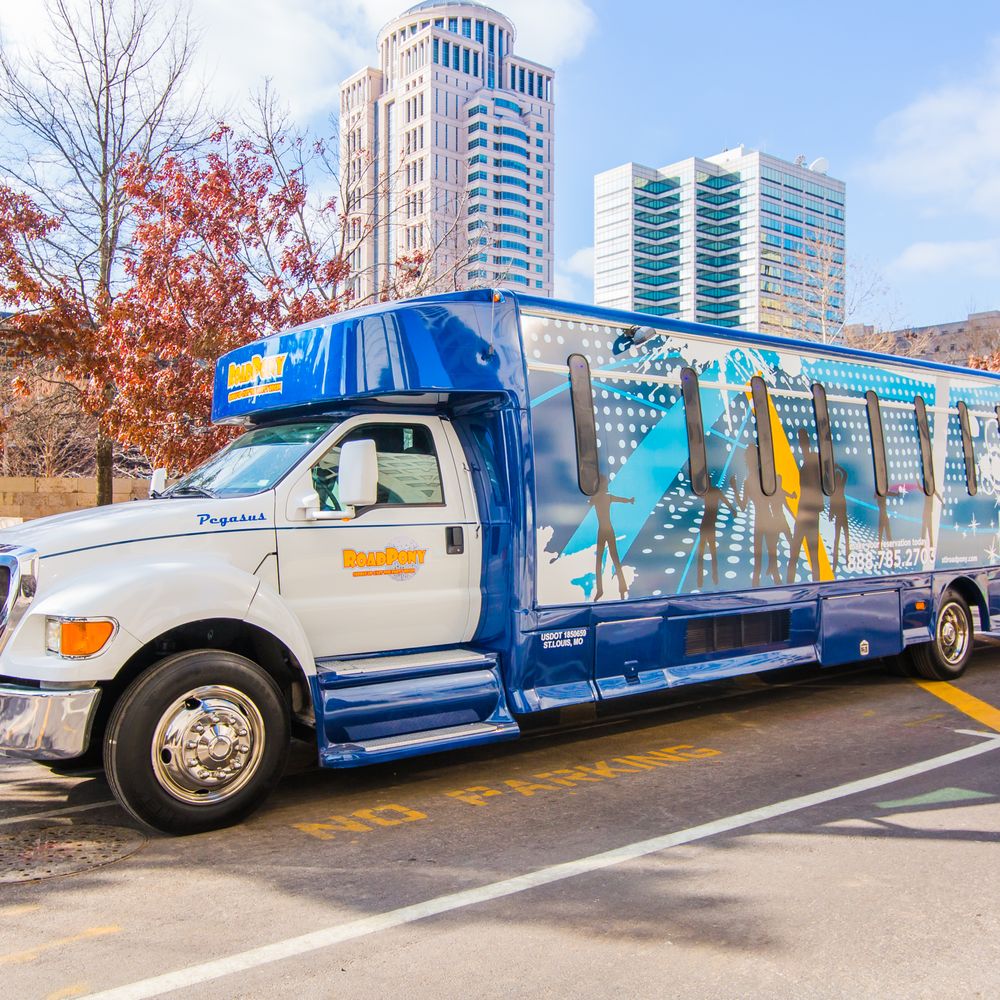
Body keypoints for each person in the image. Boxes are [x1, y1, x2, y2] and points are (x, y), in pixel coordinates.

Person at [787, 428, 824, 583]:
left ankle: (818, 583)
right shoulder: (805, 462)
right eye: (800, 440)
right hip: (803, 511)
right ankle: (789, 583)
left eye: (803, 440)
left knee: (810, 552)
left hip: (811, 513)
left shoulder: (813, 460)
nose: (801, 444)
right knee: (795, 550)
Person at [590, 475, 635, 601]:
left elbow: (588, 504)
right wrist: (630, 500)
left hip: (602, 530)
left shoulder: (596, 497)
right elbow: (621, 499)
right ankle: (622, 587)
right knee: (615, 559)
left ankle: (600, 590)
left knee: (599, 561)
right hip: (609, 529)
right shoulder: (607, 497)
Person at [830, 464, 851, 572]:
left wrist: (838, 467)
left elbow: (845, 474)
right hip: (841, 516)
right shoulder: (837, 488)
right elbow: (832, 504)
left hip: (841, 516)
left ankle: (845, 560)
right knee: (840, 539)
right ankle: (836, 562)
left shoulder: (837, 488)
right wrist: (838, 468)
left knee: (841, 539)